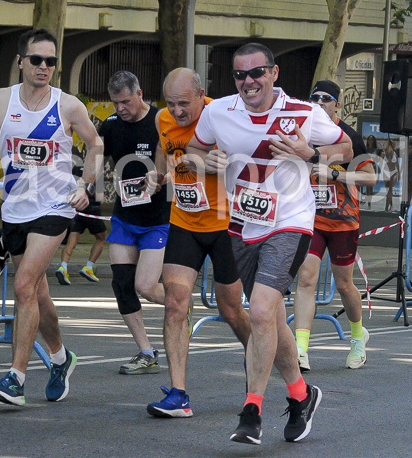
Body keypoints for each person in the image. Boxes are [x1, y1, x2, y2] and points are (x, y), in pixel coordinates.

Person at [186, 43, 352, 445]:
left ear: (273, 73)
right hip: (243, 226)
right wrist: (203, 162)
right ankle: (301, 395)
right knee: (271, 319)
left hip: (291, 222)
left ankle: (252, 411)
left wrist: (310, 153)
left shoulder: (304, 112)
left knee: (260, 309)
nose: (248, 82)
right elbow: (193, 149)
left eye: (256, 73)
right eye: (240, 75)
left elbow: (346, 148)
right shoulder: (217, 111)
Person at [0, 28, 103, 406]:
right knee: (38, 293)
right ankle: (62, 359)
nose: (45, 66)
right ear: (20, 62)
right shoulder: (0, 100)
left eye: (51, 61)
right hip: (15, 207)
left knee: (23, 285)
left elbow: (95, 143)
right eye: (37, 60)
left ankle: (15, 378)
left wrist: (86, 185)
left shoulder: (68, 106)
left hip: (55, 207)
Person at [145, 68, 252, 417]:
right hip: (185, 220)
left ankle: (261, 368)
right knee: (175, 303)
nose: (177, 111)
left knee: (231, 310)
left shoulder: (222, 117)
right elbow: (166, 152)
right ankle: (179, 394)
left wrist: (212, 163)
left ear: (202, 95)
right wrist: (157, 173)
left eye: (184, 104)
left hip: (225, 225)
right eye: (171, 103)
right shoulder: (162, 118)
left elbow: (238, 164)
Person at [293, 80, 376, 372]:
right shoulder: (302, 134)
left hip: (343, 220)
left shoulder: (349, 137)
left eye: (326, 98)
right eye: (313, 97)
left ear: (337, 105)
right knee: (306, 278)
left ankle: (357, 337)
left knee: (343, 284)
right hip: (311, 218)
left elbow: (370, 178)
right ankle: (300, 349)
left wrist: (335, 175)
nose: (319, 102)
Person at [100, 71, 171, 375]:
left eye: (125, 102)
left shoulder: (161, 120)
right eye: (115, 103)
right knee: (122, 285)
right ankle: (146, 351)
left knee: (147, 286)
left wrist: (162, 176)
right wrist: (83, 183)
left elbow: (175, 155)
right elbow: (95, 156)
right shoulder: (111, 126)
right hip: (125, 217)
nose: (120, 109)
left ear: (139, 94)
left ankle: (179, 304)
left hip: (158, 219)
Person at [55, 184, 107, 284]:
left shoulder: (75, 171)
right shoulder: (96, 172)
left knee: (71, 240)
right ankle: (88, 267)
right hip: (93, 210)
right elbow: (99, 195)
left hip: (78, 210)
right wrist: (89, 188)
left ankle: (63, 267)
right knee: (101, 238)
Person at [362, 135, 379, 209]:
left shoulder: (376, 150)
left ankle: (369, 203)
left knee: (370, 186)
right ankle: (368, 202)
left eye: (371, 140)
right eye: (369, 140)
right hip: (366, 168)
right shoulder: (365, 149)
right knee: (367, 186)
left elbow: (378, 161)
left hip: (373, 168)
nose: (370, 141)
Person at [382, 141, 399, 212]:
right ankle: (391, 205)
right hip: (386, 172)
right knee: (388, 191)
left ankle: (386, 208)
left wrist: (400, 173)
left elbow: (397, 164)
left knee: (390, 190)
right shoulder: (383, 153)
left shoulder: (395, 154)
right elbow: (380, 163)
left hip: (394, 172)